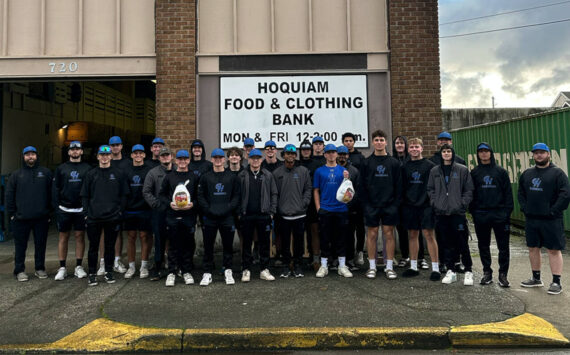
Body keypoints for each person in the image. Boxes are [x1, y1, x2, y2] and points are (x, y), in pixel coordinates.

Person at [518, 143, 570, 295]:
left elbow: (565, 195)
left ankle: (556, 281)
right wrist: (525, 208)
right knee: (533, 248)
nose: (539, 155)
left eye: (542, 152)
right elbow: (521, 193)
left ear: (548, 154)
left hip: (551, 219)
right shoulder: (527, 174)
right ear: (533, 156)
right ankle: (536, 278)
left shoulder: (558, 173)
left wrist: (553, 211)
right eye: (536, 153)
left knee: (553, 250)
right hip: (532, 218)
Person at [81, 145, 129, 286]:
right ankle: (92, 274)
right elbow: (85, 195)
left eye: (107, 155)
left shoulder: (118, 173)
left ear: (110, 157)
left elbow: (124, 195)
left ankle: (109, 272)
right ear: (98, 157)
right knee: (93, 247)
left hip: (112, 216)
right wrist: (86, 214)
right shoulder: (91, 174)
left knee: (109, 246)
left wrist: (120, 211)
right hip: (94, 217)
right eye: (102, 155)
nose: (104, 157)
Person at [427, 144, 474, 286]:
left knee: (462, 242)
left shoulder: (462, 170)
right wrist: (435, 203)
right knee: (446, 243)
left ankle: (468, 271)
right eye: (444, 151)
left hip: (457, 213)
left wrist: (462, 204)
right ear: (441, 154)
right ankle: (451, 270)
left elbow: (469, 189)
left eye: (448, 151)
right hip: (441, 213)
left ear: (452, 153)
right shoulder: (435, 170)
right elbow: (430, 189)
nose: (446, 154)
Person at [6, 146, 53, 282]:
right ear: (23, 157)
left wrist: (49, 212)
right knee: (20, 246)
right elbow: (9, 196)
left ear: (36, 156)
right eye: (27, 155)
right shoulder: (16, 175)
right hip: (21, 218)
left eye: (32, 154)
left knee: (40, 245)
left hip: (41, 217)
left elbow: (52, 193)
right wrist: (12, 214)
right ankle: (19, 270)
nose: (30, 157)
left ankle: (40, 268)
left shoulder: (45, 173)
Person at [359, 130, 402, 280]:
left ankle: (389, 267)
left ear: (386, 142)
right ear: (372, 142)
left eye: (381, 140)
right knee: (371, 235)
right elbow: (361, 186)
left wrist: (395, 205)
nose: (378, 142)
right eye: (376, 140)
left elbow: (399, 186)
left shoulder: (394, 163)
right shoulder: (366, 163)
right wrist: (366, 205)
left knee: (389, 235)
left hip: (389, 206)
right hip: (372, 206)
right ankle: (372, 267)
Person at [470, 142, 513, 287]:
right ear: (478, 154)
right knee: (483, 245)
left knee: (503, 246)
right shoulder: (475, 173)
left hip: (500, 214)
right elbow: (471, 194)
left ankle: (503, 275)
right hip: (481, 214)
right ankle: (487, 273)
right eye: (481, 151)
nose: (483, 154)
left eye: (486, 151)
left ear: (491, 153)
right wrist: (474, 212)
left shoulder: (500, 172)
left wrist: (506, 213)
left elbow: (508, 194)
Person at [197, 148, 241, 286]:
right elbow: (200, 196)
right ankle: (207, 273)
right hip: (210, 217)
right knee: (208, 246)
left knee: (228, 246)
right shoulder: (205, 177)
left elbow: (236, 196)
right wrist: (208, 209)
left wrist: (227, 209)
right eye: (215, 157)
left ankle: (228, 270)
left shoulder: (232, 177)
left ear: (224, 159)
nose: (217, 160)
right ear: (211, 160)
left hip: (227, 216)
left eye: (220, 157)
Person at [400, 138, 440, 281]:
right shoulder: (404, 166)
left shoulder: (430, 166)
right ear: (408, 149)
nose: (414, 149)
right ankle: (413, 266)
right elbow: (403, 187)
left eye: (417, 146)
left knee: (429, 235)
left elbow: (435, 186)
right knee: (412, 235)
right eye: (411, 147)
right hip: (410, 206)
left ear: (422, 148)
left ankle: (435, 268)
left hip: (426, 206)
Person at [159, 149, 199, 287]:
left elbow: (199, 196)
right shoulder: (169, 176)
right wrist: (169, 204)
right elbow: (162, 195)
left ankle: (186, 271)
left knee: (188, 244)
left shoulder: (194, 176)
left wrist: (193, 204)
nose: (182, 162)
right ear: (176, 161)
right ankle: (172, 272)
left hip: (189, 216)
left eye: (185, 159)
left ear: (188, 160)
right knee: (173, 244)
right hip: (173, 215)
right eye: (180, 159)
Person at [52, 141, 91, 280]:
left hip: (80, 209)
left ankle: (78, 267)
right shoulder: (61, 168)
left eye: (78, 149)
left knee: (80, 236)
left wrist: (87, 209)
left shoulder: (87, 168)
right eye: (72, 149)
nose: (75, 151)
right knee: (63, 237)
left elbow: (90, 189)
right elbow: (55, 189)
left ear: (81, 152)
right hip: (64, 208)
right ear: (68, 152)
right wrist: (56, 208)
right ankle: (62, 268)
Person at [237, 149, 278, 282]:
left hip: (263, 215)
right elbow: (238, 195)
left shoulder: (267, 175)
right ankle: (246, 270)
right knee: (247, 244)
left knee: (264, 243)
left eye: (258, 158)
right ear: (248, 159)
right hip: (247, 215)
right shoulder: (242, 175)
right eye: (253, 158)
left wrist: (271, 212)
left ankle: (264, 269)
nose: (255, 161)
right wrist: (240, 212)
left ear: (261, 160)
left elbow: (274, 193)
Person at [313, 144, 353, 278]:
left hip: (341, 209)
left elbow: (348, 191)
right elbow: (316, 190)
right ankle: (324, 266)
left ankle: (342, 265)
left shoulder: (343, 171)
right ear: (324, 155)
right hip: (325, 209)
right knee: (325, 238)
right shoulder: (319, 171)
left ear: (337, 154)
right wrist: (318, 207)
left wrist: (347, 178)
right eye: (328, 153)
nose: (331, 155)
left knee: (341, 238)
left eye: (333, 152)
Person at [273, 144, 312, 278]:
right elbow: (274, 192)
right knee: (284, 243)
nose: (290, 156)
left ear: (295, 155)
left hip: (299, 214)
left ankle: (298, 265)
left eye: (292, 154)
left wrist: (304, 203)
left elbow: (308, 189)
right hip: (283, 214)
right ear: (283, 155)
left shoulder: (303, 171)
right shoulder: (277, 173)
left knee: (299, 242)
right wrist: (277, 207)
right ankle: (285, 266)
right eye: (288, 154)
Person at [143, 146, 175, 280]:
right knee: (160, 241)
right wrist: (157, 204)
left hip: (175, 211)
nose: (165, 157)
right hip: (159, 212)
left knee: (175, 240)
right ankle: (158, 267)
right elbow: (146, 191)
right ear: (159, 157)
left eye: (167, 155)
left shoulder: (178, 171)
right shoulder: (153, 173)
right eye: (162, 156)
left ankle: (175, 267)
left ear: (171, 156)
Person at [123, 144, 152, 279]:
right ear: (132, 155)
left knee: (144, 236)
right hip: (130, 209)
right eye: (136, 153)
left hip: (145, 209)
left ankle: (144, 266)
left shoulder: (149, 170)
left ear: (144, 155)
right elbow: (123, 190)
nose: (138, 155)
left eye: (141, 153)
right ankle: (131, 266)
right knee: (131, 237)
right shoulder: (126, 170)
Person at [105, 135, 128, 274]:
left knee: (118, 233)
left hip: (120, 204)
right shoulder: (105, 161)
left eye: (117, 145)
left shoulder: (127, 163)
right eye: (112, 145)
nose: (115, 147)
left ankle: (116, 260)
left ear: (121, 146)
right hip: (105, 204)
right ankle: (103, 262)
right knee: (104, 233)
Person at [336, 145, 360, 270]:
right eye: (339, 154)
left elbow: (357, 191)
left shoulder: (354, 171)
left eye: (344, 154)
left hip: (349, 210)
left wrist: (350, 205)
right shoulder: (333, 170)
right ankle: (336, 259)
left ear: (348, 155)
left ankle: (350, 260)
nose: (341, 156)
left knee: (350, 236)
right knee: (336, 235)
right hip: (335, 209)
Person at [393, 135, 411, 268]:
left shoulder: (411, 160)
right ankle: (405, 256)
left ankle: (420, 257)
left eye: (401, 143)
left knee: (415, 230)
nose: (399, 145)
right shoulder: (392, 161)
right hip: (397, 201)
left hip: (411, 201)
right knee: (401, 230)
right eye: (397, 143)